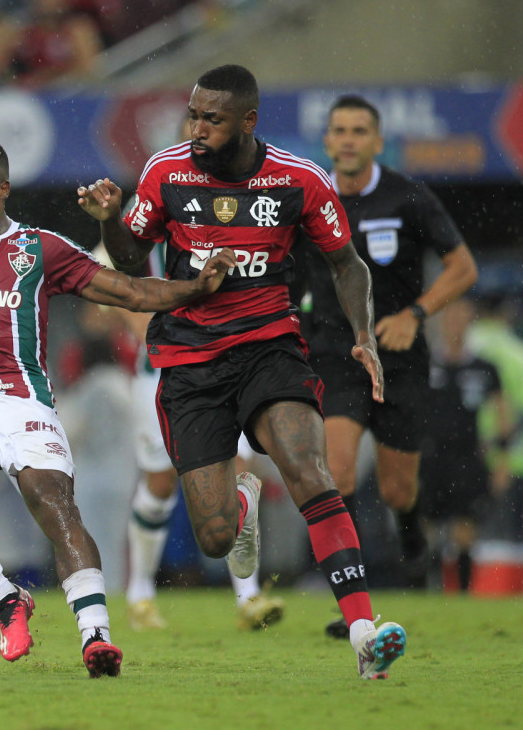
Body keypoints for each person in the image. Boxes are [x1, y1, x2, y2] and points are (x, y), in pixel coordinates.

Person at [76, 65, 405, 679]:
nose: (196, 129)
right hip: (189, 360)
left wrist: (364, 335)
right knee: (216, 538)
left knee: (310, 472)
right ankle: (241, 503)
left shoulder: (298, 179)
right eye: (193, 115)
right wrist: (110, 220)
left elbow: (348, 265)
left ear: (248, 121)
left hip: (268, 347)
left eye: (212, 119)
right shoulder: (165, 173)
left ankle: (364, 634)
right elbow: (131, 259)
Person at [0, 137, 237, 678]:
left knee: (51, 501)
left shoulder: (40, 249)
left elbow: (127, 291)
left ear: (2, 190)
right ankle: (7, 600)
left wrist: (194, 288)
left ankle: (96, 636)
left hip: (21, 402)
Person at [302, 94, 477, 627]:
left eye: (359, 130)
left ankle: (414, 546)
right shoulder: (308, 197)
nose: (348, 139)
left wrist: (415, 315)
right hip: (335, 355)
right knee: (336, 473)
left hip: (399, 358)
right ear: (327, 141)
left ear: (378, 141)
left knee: (399, 490)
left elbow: (463, 268)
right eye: (340, 130)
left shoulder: (408, 197)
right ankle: (353, 604)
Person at [115, 297, 285, 632]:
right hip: (160, 370)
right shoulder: (149, 259)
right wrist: (140, 319)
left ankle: (249, 597)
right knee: (161, 483)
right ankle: (140, 593)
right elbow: (112, 280)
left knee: (238, 471)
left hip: (222, 364)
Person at [419, 297, 511, 592]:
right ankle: (427, 591)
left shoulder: (485, 367)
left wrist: (501, 460)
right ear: (442, 323)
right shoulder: (425, 364)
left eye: (461, 318)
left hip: (467, 457)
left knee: (465, 529)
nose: (455, 324)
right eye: (450, 318)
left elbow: (503, 414)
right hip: (430, 456)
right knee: (427, 527)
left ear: (470, 323)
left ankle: (460, 595)